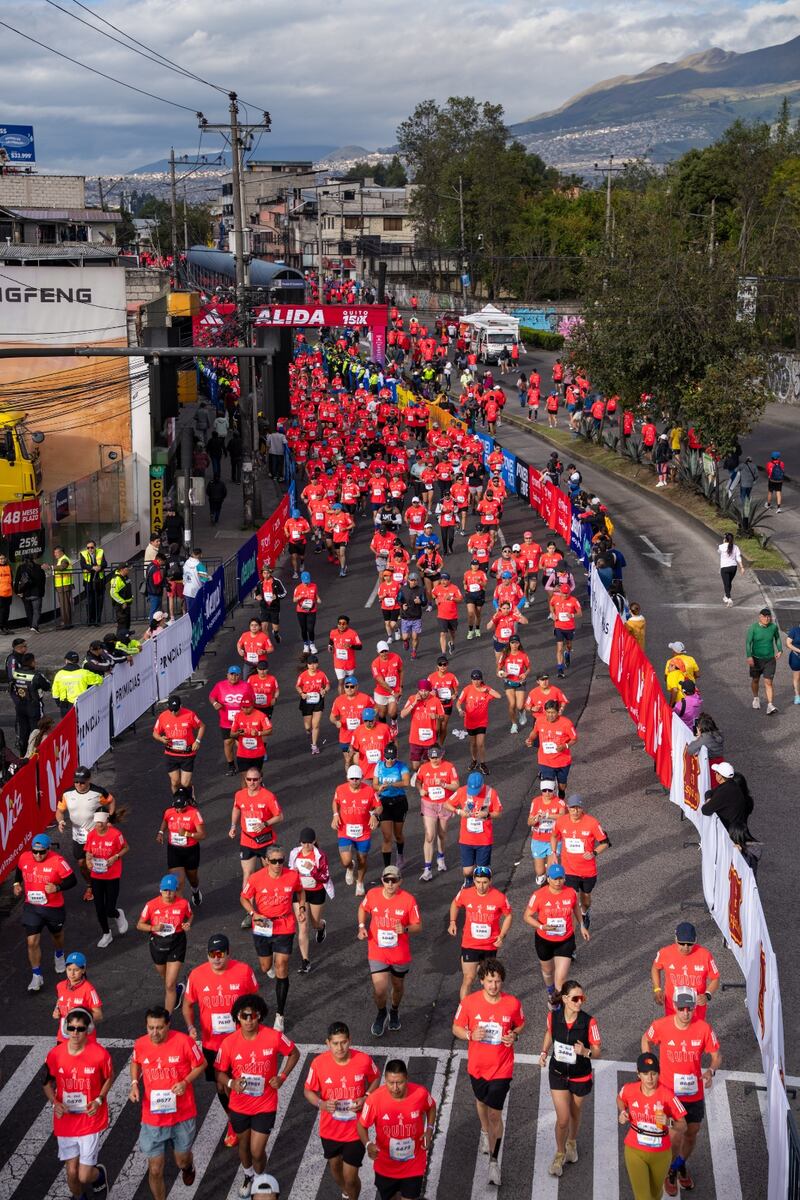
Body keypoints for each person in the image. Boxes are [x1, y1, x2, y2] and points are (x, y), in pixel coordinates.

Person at [215, 992, 300, 1190]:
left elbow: (294, 1053)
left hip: (265, 1105)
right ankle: (248, 1175)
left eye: (252, 1015)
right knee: (244, 1146)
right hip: (239, 1106)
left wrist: (282, 1077)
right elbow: (219, 1073)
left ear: (259, 1016)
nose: (248, 1020)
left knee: (257, 1150)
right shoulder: (229, 1043)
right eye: (244, 1016)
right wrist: (231, 1084)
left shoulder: (273, 1036)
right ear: (237, 1017)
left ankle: (261, 1180)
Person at [452, 958, 524, 1186]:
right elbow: (456, 1028)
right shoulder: (470, 1003)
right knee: (481, 1102)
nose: (494, 985)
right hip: (477, 1067)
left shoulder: (512, 1003)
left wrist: (514, 1035)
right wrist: (470, 1035)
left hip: (502, 1068)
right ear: (482, 980)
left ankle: (494, 1162)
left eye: (498, 981)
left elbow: (520, 1024)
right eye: (490, 981)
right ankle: (484, 1132)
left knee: (495, 1113)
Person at [641, 992, 722, 1196]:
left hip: (693, 1093)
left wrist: (711, 1071)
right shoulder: (662, 1025)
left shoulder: (703, 1029)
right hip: (669, 1094)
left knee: (692, 1132)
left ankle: (679, 1164)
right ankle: (671, 1171)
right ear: (675, 1007)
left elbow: (716, 1056)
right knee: (675, 1137)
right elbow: (646, 1038)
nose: (685, 1013)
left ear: (694, 1008)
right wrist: (648, 1062)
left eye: (689, 1009)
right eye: (681, 1008)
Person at [131, 1005, 204, 1199]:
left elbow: (201, 1064)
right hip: (153, 1117)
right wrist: (134, 1084)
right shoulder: (140, 1044)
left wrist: (185, 1082)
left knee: (181, 1160)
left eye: (159, 1028)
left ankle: (188, 1167)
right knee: (155, 1169)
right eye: (150, 1028)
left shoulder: (184, 1042)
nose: (154, 1033)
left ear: (168, 1025)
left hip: (182, 1114)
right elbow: (136, 1061)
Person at [182, 935, 260, 1115]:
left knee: (239, 1080)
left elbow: (256, 1000)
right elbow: (187, 1006)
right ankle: (233, 1118)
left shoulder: (243, 971)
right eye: (212, 953)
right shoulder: (197, 975)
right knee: (220, 1084)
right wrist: (190, 1027)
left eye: (220, 953)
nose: (216, 958)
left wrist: (253, 1024)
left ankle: (241, 1118)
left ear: (228, 953)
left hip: (240, 1041)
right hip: (212, 1044)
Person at [304, 1021, 380, 1200]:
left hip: (356, 1131)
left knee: (350, 1177)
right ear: (327, 1043)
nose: (340, 1047)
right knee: (336, 1169)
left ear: (350, 1041)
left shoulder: (363, 1060)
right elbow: (308, 1090)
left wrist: (366, 1097)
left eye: (343, 1042)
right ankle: (346, 1192)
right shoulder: (318, 1063)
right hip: (329, 1131)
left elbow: (375, 1078)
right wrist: (321, 1104)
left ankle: (352, 1195)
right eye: (335, 1043)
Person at [42, 1006, 113, 1200]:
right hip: (65, 1120)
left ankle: (98, 1176)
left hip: (89, 1120)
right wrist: (55, 1102)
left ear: (88, 1030)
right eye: (71, 1028)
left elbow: (109, 1077)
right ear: (65, 1028)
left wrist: (99, 1099)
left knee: (83, 1175)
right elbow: (46, 1083)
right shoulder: (55, 1054)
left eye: (80, 1029)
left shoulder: (99, 1054)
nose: (75, 1033)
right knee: (72, 1173)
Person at [539, 977, 602, 1177]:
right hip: (558, 1073)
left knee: (575, 1112)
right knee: (563, 1118)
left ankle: (572, 1143)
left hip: (580, 1075)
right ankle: (559, 1154)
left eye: (582, 998)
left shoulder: (588, 1022)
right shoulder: (554, 1017)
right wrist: (543, 1051)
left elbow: (598, 1050)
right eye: (575, 999)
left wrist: (586, 1052)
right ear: (565, 999)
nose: (580, 1002)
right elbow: (549, 1033)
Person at [240, 844, 305, 1030]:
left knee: (282, 966)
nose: (278, 864)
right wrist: (253, 914)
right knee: (265, 967)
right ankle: (270, 967)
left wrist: (301, 908)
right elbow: (244, 898)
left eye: (281, 860)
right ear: (266, 861)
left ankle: (280, 1014)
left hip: (284, 924)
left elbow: (300, 891)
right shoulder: (256, 878)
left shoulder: (292, 876)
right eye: (274, 861)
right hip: (263, 925)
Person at [357, 865, 422, 1037]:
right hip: (377, 951)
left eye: (394, 880)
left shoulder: (408, 900)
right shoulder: (372, 895)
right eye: (387, 880)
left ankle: (394, 1010)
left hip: (399, 954)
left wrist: (405, 929)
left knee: (398, 986)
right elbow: (363, 909)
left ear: (400, 881)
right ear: (382, 881)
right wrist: (362, 926)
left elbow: (418, 925)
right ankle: (381, 1013)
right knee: (380, 989)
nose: (390, 884)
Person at [358, 1059, 436, 1200]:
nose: (395, 1088)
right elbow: (361, 1125)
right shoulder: (374, 1100)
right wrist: (368, 1144)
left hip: (413, 1164)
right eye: (390, 1083)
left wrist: (429, 1130)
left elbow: (431, 1107)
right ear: (385, 1080)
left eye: (399, 1082)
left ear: (406, 1079)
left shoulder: (420, 1093)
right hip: (385, 1166)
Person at [618, 1053, 688, 1200]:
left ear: (659, 1073)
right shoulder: (630, 1089)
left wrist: (668, 1122)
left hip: (660, 1154)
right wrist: (623, 1111)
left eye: (653, 1074)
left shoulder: (668, 1096)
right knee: (643, 1197)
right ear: (638, 1073)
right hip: (635, 1151)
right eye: (645, 1074)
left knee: (656, 1195)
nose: (650, 1079)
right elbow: (620, 1098)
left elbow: (684, 1126)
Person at [14, 832, 77, 991]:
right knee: (32, 942)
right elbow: (19, 869)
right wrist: (16, 883)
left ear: (48, 849)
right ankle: (37, 976)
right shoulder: (25, 857)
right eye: (35, 851)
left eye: (42, 852)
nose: (38, 855)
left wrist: (57, 887)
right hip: (32, 907)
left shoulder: (57, 861)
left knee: (56, 935)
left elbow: (72, 880)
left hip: (53, 908)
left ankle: (59, 954)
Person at [524, 864, 589, 1003]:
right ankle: (550, 990)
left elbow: (576, 909)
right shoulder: (538, 895)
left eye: (561, 878)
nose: (558, 882)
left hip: (565, 940)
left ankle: (557, 1004)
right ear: (548, 878)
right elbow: (527, 916)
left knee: (561, 979)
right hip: (544, 940)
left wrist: (582, 926)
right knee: (548, 972)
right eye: (555, 879)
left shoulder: (570, 892)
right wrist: (541, 926)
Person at [448, 866, 512, 1000]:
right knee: (468, 978)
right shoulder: (465, 893)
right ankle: (464, 1011)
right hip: (470, 944)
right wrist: (453, 922)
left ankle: (487, 1006)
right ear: (474, 880)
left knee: (489, 979)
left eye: (484, 882)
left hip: (490, 945)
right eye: (478, 882)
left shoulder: (499, 897)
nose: (481, 886)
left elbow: (509, 916)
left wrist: (502, 936)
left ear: (490, 881)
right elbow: (455, 903)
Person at [57, 766, 116, 901]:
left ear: (89, 780)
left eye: (82, 782)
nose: (79, 785)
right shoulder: (67, 793)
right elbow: (59, 811)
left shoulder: (97, 792)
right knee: (82, 863)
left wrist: (110, 819)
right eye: (76, 781)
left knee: (97, 861)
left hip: (95, 833)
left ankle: (101, 885)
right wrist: (60, 821)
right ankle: (90, 885)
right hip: (78, 835)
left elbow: (111, 801)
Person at [550, 795, 609, 928]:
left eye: (578, 808)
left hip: (588, 870)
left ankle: (585, 912)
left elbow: (605, 843)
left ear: (582, 808)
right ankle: (569, 923)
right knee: (571, 897)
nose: (575, 811)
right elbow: (553, 836)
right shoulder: (561, 821)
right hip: (569, 869)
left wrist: (594, 852)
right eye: (572, 808)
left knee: (585, 899)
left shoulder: (592, 823)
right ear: (568, 808)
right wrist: (554, 853)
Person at [137, 874, 193, 1014]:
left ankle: (166, 1018)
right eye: (165, 890)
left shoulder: (183, 904)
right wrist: (152, 928)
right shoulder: (151, 905)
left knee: (169, 984)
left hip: (177, 943)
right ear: (160, 890)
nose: (168, 894)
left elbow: (190, 915)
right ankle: (177, 990)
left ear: (176, 890)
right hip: (158, 944)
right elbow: (139, 925)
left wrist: (187, 924)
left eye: (171, 890)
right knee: (167, 979)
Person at [651, 921, 720, 1021]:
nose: (685, 947)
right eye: (682, 943)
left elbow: (715, 978)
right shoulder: (665, 953)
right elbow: (655, 968)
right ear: (675, 939)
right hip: (673, 1010)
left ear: (695, 940)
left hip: (696, 1012)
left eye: (690, 944)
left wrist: (707, 995)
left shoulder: (705, 955)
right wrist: (657, 989)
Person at [288, 828, 332, 974]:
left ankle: (321, 926)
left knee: (314, 923)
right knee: (303, 925)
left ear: (314, 841)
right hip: (300, 892)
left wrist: (312, 869)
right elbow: (290, 871)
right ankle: (305, 961)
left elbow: (325, 877)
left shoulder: (320, 856)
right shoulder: (295, 853)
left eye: (309, 842)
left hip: (316, 892)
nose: (306, 845)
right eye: (303, 842)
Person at [85, 810, 129, 948]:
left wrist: (115, 857)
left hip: (112, 876)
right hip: (97, 875)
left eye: (100, 823)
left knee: (109, 908)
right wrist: (88, 861)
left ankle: (117, 914)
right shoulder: (92, 834)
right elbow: (88, 851)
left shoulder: (116, 835)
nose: (98, 825)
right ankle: (106, 933)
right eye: (96, 822)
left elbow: (126, 848)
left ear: (106, 822)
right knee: (99, 908)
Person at [157, 786, 206, 905]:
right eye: (176, 807)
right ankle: (180, 909)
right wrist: (161, 832)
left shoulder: (194, 813)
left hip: (191, 851)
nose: (178, 810)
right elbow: (165, 820)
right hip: (174, 851)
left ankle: (195, 891)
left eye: (182, 807)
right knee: (177, 883)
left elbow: (202, 835)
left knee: (192, 879)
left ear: (187, 803)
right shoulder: (169, 811)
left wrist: (187, 833)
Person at [209, 665, 255, 776]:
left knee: (241, 745)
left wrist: (248, 711)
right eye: (231, 674)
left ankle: (245, 765)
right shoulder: (220, 686)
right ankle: (231, 766)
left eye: (236, 675)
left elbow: (252, 700)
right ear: (227, 675)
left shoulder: (246, 686)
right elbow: (211, 696)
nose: (234, 677)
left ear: (240, 676)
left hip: (242, 722)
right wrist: (215, 703)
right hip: (226, 722)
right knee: (228, 742)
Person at [153, 695, 205, 793]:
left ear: (181, 706)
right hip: (171, 754)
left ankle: (190, 793)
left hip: (187, 754)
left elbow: (202, 726)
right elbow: (155, 733)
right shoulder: (163, 716)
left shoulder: (190, 714)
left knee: (185, 783)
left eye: (176, 710)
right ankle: (177, 802)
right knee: (175, 782)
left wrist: (197, 741)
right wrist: (161, 739)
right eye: (171, 710)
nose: (173, 712)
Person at [528, 699, 578, 797]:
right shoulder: (539, 720)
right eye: (548, 712)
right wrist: (529, 739)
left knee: (562, 786)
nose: (550, 715)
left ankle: (561, 795)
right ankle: (553, 807)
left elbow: (574, 738)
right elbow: (534, 732)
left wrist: (565, 746)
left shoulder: (566, 723)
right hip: (545, 761)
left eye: (553, 712)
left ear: (558, 711)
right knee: (547, 788)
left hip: (562, 761)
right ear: (545, 711)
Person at [374, 743, 412, 870]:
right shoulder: (379, 766)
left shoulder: (402, 766)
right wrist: (380, 787)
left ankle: (400, 855)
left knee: (398, 834)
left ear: (396, 756)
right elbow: (374, 785)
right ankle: (387, 868)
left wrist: (391, 784)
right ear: (384, 756)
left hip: (399, 802)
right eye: (387, 757)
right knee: (386, 836)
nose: (389, 760)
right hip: (384, 802)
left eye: (392, 758)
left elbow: (406, 782)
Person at [457, 669, 501, 774]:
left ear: (481, 679)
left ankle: (482, 763)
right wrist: (460, 710)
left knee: (480, 743)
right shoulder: (467, 689)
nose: (476, 682)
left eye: (478, 679)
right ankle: (474, 760)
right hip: (470, 721)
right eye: (474, 679)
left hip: (481, 721)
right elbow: (458, 702)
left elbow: (499, 696)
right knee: (473, 744)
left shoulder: (486, 689)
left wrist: (487, 690)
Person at [52, 951, 103, 1042]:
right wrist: (57, 1010)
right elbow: (60, 1000)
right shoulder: (60, 986)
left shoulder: (89, 990)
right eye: (69, 969)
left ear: (83, 970)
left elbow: (99, 1015)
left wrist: (79, 1019)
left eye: (76, 970)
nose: (72, 973)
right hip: (63, 1037)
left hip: (84, 1039)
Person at [9, 651, 50, 754]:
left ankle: (23, 754)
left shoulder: (16, 673)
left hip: (20, 705)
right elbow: (47, 686)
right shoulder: (36, 676)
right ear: (32, 663)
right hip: (34, 706)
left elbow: (13, 685)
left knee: (23, 731)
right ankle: (34, 754)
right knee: (36, 730)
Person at [527, 780, 566, 885]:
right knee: (540, 871)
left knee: (550, 870)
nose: (547, 793)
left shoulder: (559, 802)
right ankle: (541, 875)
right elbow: (529, 822)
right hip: (538, 839)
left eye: (550, 790)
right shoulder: (535, 802)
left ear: (554, 790)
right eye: (544, 790)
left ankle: (550, 886)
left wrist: (548, 815)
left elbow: (562, 817)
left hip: (554, 839)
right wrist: (535, 819)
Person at [700, 761, 754, 833]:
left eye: (716, 772)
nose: (715, 774)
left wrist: (709, 801)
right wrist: (709, 799)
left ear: (720, 776)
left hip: (730, 833)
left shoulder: (725, 793)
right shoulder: (731, 786)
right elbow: (709, 792)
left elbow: (705, 810)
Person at [745, 607, 781, 713]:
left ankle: (770, 705)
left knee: (768, 682)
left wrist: (780, 650)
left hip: (770, 659)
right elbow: (748, 642)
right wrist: (749, 656)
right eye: (765, 617)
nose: (767, 619)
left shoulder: (773, 627)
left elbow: (777, 638)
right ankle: (756, 698)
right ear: (760, 617)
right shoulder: (753, 628)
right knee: (755, 680)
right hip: (756, 659)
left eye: (769, 616)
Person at [296, 654, 331, 756]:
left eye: (314, 664)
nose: (312, 666)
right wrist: (301, 693)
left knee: (315, 725)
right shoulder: (303, 675)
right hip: (306, 701)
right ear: (307, 665)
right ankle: (308, 732)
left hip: (318, 701)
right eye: (310, 664)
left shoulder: (321, 674)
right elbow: (298, 686)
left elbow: (328, 685)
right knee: (308, 726)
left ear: (317, 664)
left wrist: (324, 690)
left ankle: (314, 745)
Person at [328, 614, 363, 694]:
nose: (341, 625)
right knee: (340, 682)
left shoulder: (353, 633)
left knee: (348, 683)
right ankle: (341, 700)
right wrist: (330, 647)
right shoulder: (333, 632)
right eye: (339, 623)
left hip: (349, 663)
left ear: (347, 624)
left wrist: (350, 646)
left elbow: (360, 646)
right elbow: (331, 641)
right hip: (338, 663)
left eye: (344, 623)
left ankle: (349, 697)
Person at [14, 556, 46, 631]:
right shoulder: (39, 567)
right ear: (33, 560)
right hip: (37, 593)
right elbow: (43, 581)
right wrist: (42, 592)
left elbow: (17, 580)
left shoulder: (21, 568)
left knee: (28, 610)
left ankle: (31, 625)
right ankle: (35, 626)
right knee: (36, 610)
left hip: (25, 593)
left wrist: (17, 592)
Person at [293, 570, 321, 654]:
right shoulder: (298, 588)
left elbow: (316, 595)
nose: (306, 583)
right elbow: (294, 600)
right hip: (301, 610)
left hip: (312, 610)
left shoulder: (314, 586)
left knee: (311, 628)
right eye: (305, 582)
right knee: (303, 629)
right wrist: (299, 597)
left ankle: (312, 644)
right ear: (301, 580)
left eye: (308, 582)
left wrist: (318, 599)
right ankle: (306, 644)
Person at [258, 564, 287, 642]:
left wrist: (277, 596)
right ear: (262, 574)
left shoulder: (276, 582)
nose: (266, 575)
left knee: (275, 627)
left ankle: (275, 633)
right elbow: (256, 593)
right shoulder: (260, 583)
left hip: (274, 607)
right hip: (264, 607)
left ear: (270, 573)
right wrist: (256, 596)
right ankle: (268, 643)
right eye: (264, 573)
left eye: (267, 573)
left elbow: (284, 592)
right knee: (263, 627)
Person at [717, 532, 744, 607]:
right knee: (728, 583)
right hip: (733, 568)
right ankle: (726, 596)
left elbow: (718, 552)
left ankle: (729, 598)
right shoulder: (735, 547)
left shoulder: (721, 546)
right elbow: (738, 557)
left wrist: (723, 543)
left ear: (725, 539)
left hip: (725, 568)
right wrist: (742, 567)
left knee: (726, 584)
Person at [52, 545, 75, 629]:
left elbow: (62, 567)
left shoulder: (64, 559)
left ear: (61, 552)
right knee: (64, 605)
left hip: (64, 585)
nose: (55, 554)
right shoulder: (61, 559)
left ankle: (67, 623)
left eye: (56, 552)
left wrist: (51, 567)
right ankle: (65, 622)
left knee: (65, 605)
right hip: (61, 586)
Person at [109, 563, 133, 630]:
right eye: (127, 569)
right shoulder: (116, 579)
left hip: (127, 604)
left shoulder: (125, 576)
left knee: (127, 622)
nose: (128, 570)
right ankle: (121, 637)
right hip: (121, 605)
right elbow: (113, 593)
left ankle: (126, 635)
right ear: (122, 570)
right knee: (122, 622)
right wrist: (122, 602)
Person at [788, 622, 800, 705]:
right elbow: (788, 643)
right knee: (797, 677)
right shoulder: (794, 631)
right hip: (796, 657)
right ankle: (797, 695)